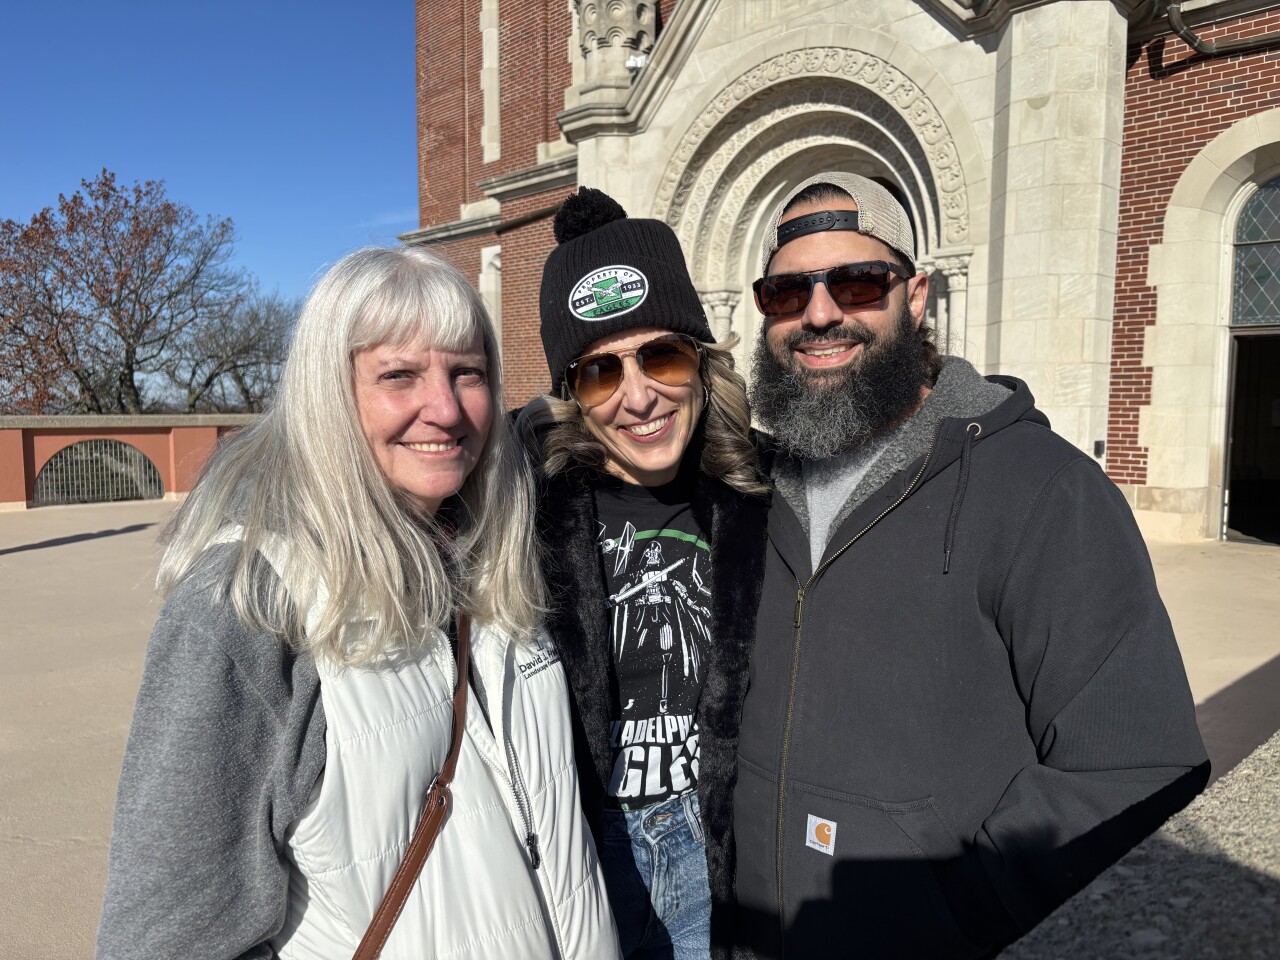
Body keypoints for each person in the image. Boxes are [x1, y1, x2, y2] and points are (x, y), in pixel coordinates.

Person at [731, 173, 1210, 959]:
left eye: (856, 282)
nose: (819, 314)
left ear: (915, 296)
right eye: (786, 293)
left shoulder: (1043, 488)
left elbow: (1137, 762)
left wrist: (963, 908)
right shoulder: (751, 487)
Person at [96, 247, 620, 960]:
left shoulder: (495, 557)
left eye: (467, 372)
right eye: (399, 375)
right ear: (329, 393)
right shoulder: (247, 603)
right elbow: (165, 937)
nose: (445, 408)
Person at [519, 187, 771, 960]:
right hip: (578, 855)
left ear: (700, 359)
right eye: (600, 371)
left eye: (660, 354)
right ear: (570, 392)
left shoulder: (767, 494)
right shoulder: (520, 505)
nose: (638, 396)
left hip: (716, 844)